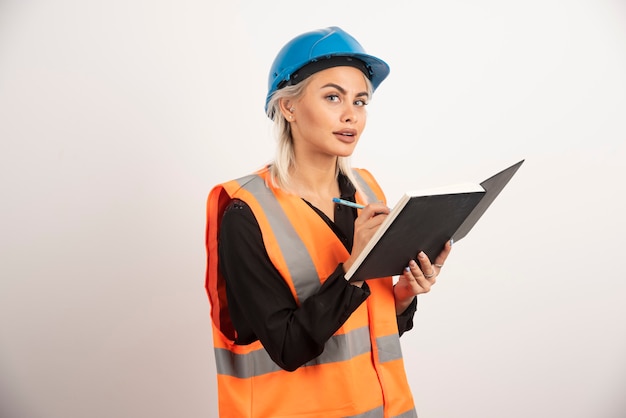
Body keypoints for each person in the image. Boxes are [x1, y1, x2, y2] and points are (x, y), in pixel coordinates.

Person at [205, 26, 451, 418]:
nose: (351, 114)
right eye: (333, 97)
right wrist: (352, 271)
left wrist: (402, 297)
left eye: (361, 101)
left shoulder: (366, 190)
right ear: (288, 107)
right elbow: (287, 347)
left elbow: (371, 329)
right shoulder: (245, 213)